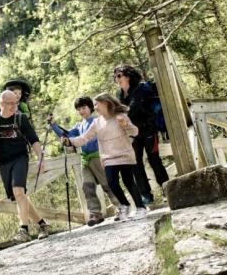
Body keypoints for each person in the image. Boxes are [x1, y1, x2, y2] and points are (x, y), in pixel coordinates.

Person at [62, 93, 147, 220]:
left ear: (106, 103)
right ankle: (124, 206)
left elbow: (135, 132)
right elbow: (84, 138)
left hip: (124, 154)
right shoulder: (97, 122)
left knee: (128, 182)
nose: (95, 107)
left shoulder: (120, 116)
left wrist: (125, 125)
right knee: (112, 183)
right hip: (108, 158)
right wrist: (70, 142)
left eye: (96, 104)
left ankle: (141, 208)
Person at [0, 90, 51, 241]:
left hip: (20, 158)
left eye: (16, 103)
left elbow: (33, 139)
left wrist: (40, 158)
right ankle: (43, 224)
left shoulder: (21, 118)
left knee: (18, 192)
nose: (14, 106)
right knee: (19, 196)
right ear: (1, 103)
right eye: (11, 103)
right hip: (3, 162)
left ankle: (23, 230)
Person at [48, 96, 120, 226]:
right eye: (79, 109)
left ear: (90, 108)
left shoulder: (97, 121)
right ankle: (95, 213)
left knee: (107, 184)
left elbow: (86, 139)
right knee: (87, 187)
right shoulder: (79, 126)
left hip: (98, 157)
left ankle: (120, 207)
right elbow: (67, 136)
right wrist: (54, 125)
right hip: (85, 159)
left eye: (84, 107)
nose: (82, 111)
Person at [113, 65, 169, 205]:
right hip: (132, 134)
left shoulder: (140, 89)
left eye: (119, 75)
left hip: (148, 130)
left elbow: (132, 109)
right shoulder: (119, 95)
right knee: (135, 164)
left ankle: (167, 190)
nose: (117, 79)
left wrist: (120, 116)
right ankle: (146, 195)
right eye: (115, 76)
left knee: (154, 160)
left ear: (128, 76)